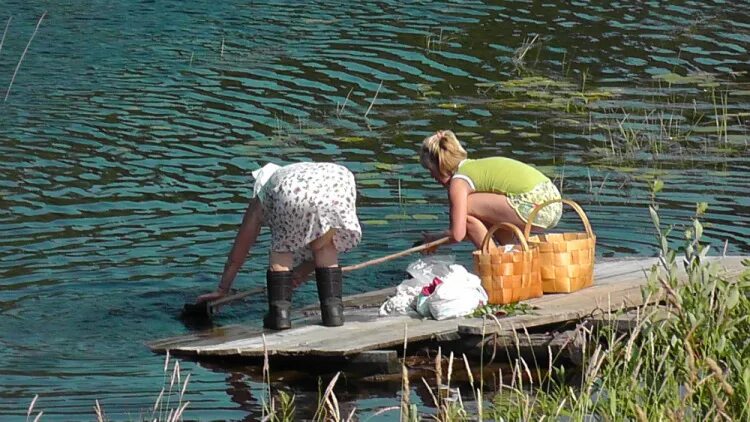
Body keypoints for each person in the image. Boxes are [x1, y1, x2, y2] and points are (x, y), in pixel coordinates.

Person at [197, 162, 362, 330]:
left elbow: (241, 248)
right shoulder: (302, 172)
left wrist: (222, 288)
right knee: (325, 246)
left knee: (282, 247)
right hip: (339, 182)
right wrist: (301, 271)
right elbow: (318, 242)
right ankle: (333, 312)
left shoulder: (267, 191)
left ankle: (279, 315)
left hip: (291, 191)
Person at [418, 130, 562, 249]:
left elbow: (458, 234)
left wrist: (433, 240)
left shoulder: (459, 182)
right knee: (483, 214)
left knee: (466, 210)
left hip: (536, 205)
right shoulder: (473, 168)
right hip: (553, 203)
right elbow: (474, 229)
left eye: (431, 170)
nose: (431, 176)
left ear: (441, 164)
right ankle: (513, 252)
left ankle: (494, 260)